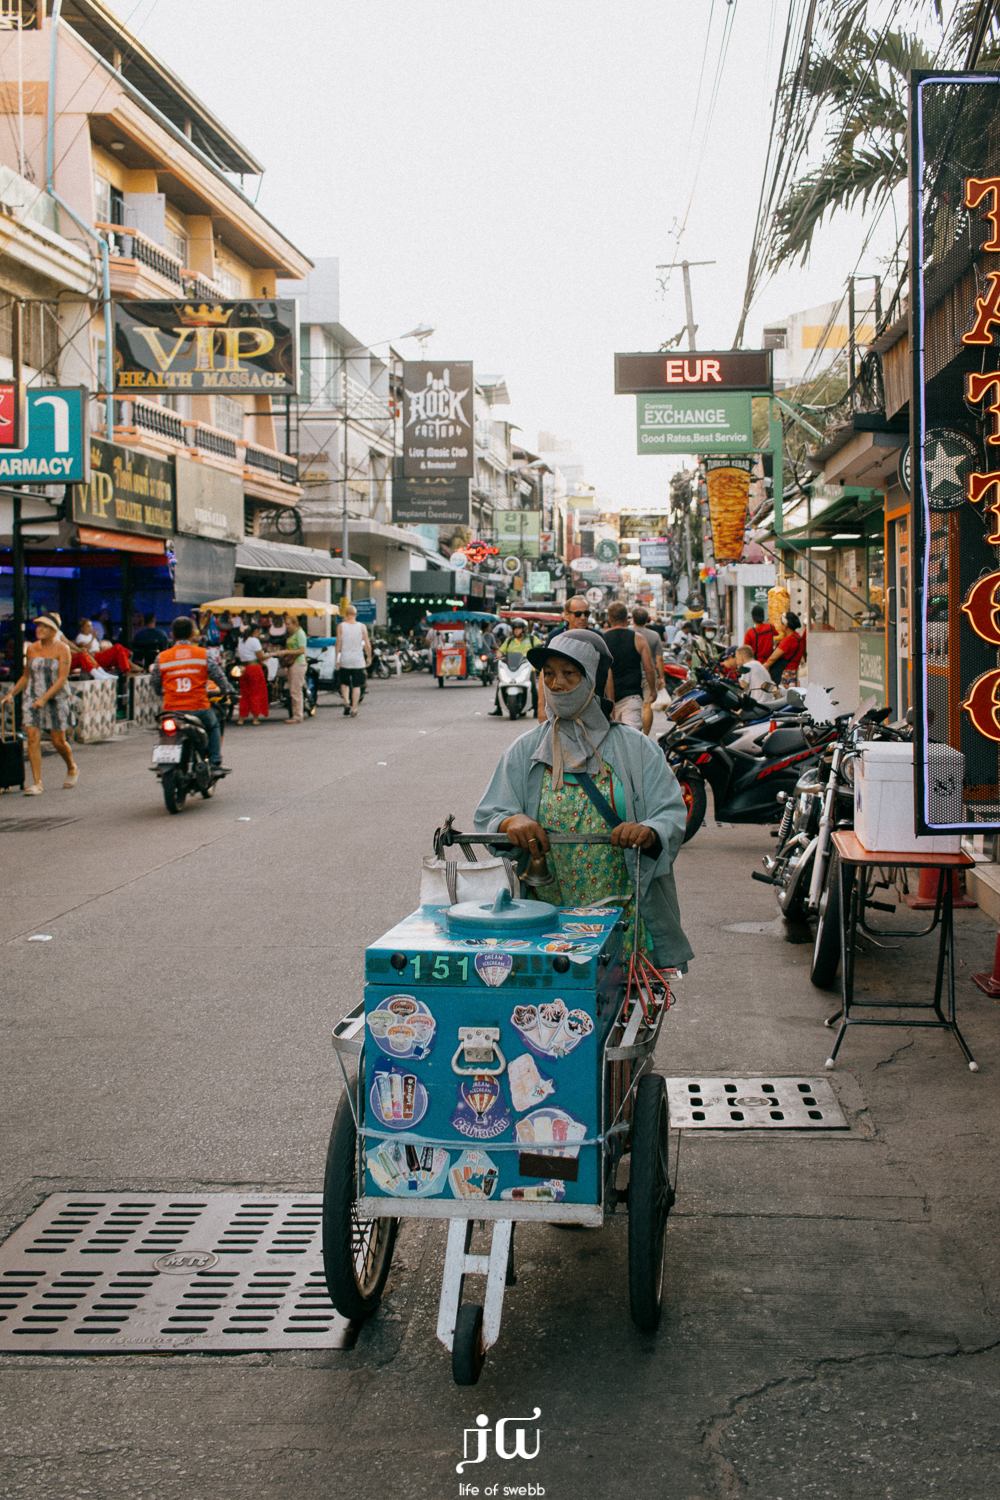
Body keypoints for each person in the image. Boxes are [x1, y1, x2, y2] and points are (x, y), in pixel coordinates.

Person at [474, 632, 692, 970]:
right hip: (543, 920)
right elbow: (492, 813)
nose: (557, 684)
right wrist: (509, 822)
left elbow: (671, 813)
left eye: (569, 674)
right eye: (548, 673)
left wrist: (648, 831)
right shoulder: (525, 750)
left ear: (591, 678)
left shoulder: (636, 749)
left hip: (625, 919)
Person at [2, 614, 79, 794]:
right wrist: (11, 694)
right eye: (38, 626)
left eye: (44, 626)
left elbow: (62, 679)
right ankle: (37, 782)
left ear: (54, 630)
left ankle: (71, 767)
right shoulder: (32, 649)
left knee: (58, 741)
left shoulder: (63, 649)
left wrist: (44, 698)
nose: (39, 629)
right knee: (33, 738)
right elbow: (26, 676)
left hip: (55, 698)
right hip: (32, 696)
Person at [150, 616, 230, 771]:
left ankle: (164, 759)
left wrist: (162, 692)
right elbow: (218, 676)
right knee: (213, 726)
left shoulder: (162, 657)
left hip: (171, 710)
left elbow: (156, 683)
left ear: (172, 635)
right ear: (193, 634)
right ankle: (214, 761)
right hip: (198, 707)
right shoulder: (203, 654)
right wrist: (226, 690)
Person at [603, 600, 656, 732]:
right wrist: (653, 690)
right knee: (632, 738)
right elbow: (649, 668)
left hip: (608, 699)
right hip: (631, 696)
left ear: (609, 619)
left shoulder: (602, 639)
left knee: (612, 738)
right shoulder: (638, 638)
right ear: (627, 618)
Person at [490, 617, 540, 717]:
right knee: (501, 683)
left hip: (528, 667)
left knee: (533, 687)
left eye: (518, 629)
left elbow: (540, 646)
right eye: (515, 629)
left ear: (524, 630)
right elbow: (501, 650)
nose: (516, 631)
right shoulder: (509, 641)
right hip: (512, 667)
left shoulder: (531, 639)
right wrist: (499, 653)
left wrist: (537, 650)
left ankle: (536, 709)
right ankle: (498, 708)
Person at [632, 606, 666, 735]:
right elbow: (659, 659)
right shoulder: (654, 635)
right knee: (647, 706)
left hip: (632, 674)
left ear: (633, 619)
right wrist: (661, 678)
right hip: (649, 675)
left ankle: (632, 734)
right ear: (647, 620)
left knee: (630, 705)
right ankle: (645, 735)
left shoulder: (630, 634)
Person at [337, 604, 371, 717]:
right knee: (356, 685)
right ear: (356, 614)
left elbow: (338, 643)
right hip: (358, 660)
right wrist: (369, 657)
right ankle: (354, 709)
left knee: (344, 683)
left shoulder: (341, 626)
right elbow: (367, 644)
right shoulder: (362, 626)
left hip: (345, 659)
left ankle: (346, 702)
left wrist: (336, 658)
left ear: (346, 615)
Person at [236, 626, 269, 725]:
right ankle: (255, 719)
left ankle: (241, 719)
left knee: (244, 694)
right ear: (255, 630)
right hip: (254, 668)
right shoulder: (254, 641)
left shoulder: (241, 640)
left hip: (243, 669)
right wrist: (271, 655)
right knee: (256, 693)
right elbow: (261, 656)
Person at [764, 610, 806, 685]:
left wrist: (763, 668)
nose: (780, 624)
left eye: (781, 622)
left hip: (786, 674)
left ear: (785, 625)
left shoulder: (789, 639)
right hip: (794, 673)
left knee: (783, 695)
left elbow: (773, 658)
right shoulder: (798, 637)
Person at [281, 612, 308, 724]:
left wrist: (286, 651)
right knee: (292, 690)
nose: (287, 627)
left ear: (295, 623)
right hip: (292, 664)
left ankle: (298, 715)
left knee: (296, 690)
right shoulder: (292, 634)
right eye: (286, 624)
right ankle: (294, 714)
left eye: (289, 624)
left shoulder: (300, 634)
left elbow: (302, 650)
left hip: (298, 663)